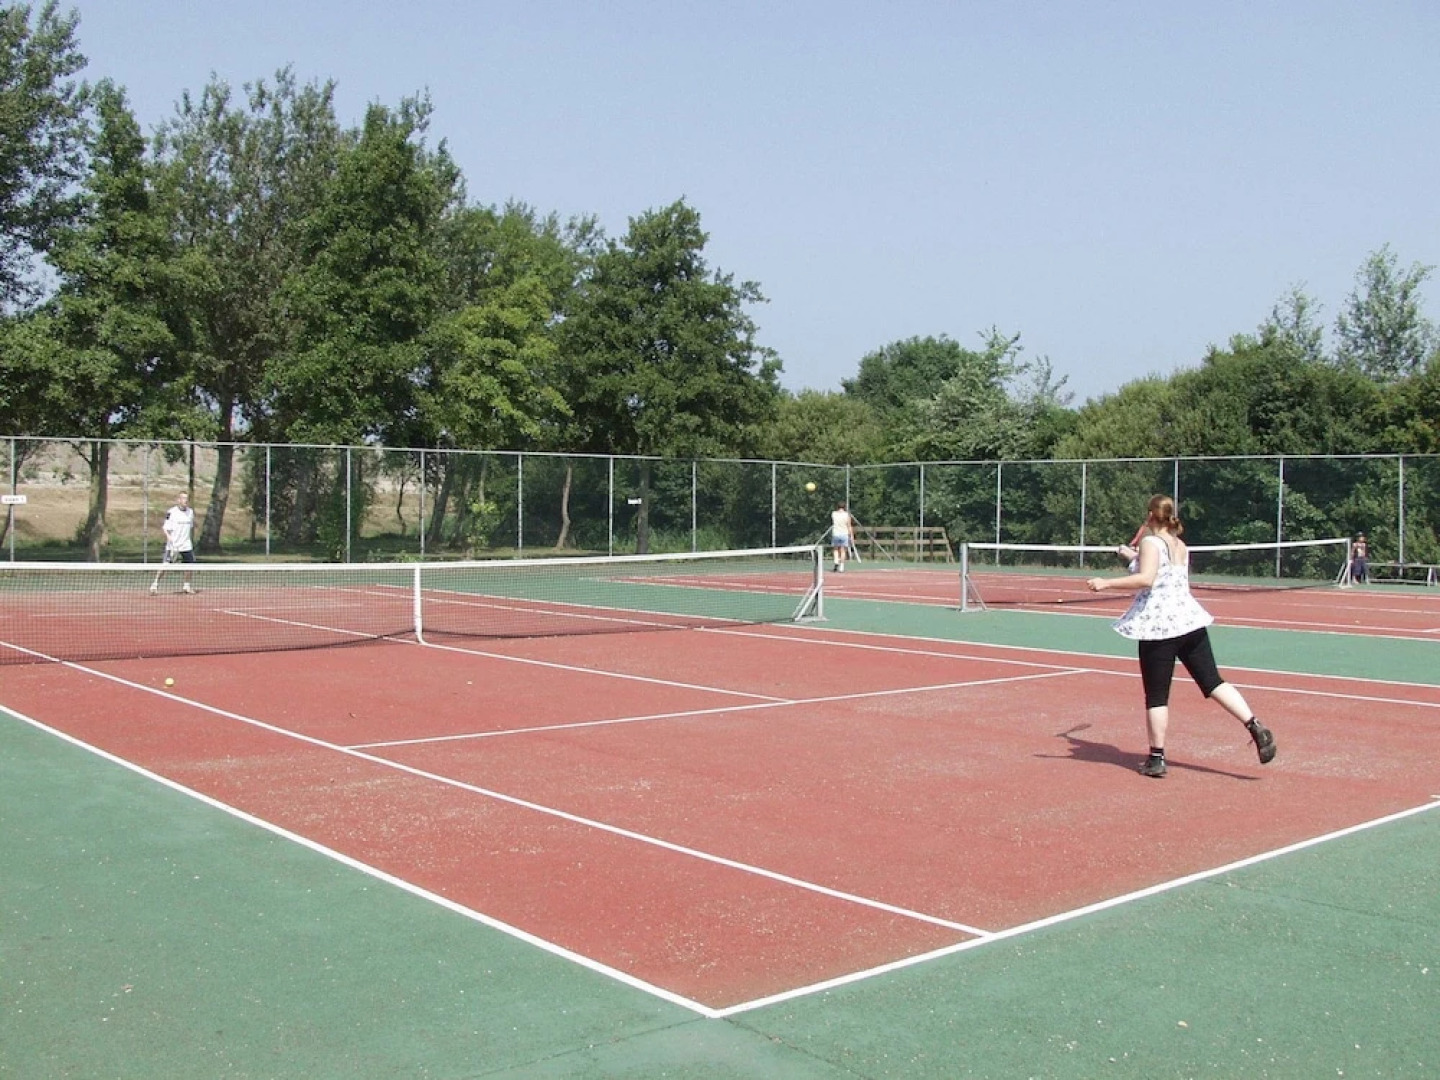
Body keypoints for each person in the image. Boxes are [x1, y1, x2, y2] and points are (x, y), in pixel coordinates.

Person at [1085, 494, 1275, 778]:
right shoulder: (1180, 545)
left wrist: (1106, 583)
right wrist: (1130, 557)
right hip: (1189, 623)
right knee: (1213, 682)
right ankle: (1254, 724)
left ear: (1151, 515)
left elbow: (1147, 578)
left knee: (1156, 695)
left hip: (1160, 627)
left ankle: (1156, 758)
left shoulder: (1150, 542)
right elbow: (1157, 570)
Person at [151, 492, 196, 595]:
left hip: (186, 545)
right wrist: (169, 538)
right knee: (165, 566)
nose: (185, 500)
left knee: (190, 565)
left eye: (187, 498)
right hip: (173, 545)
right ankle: (155, 585)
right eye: (183, 498)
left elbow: (190, 527)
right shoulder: (171, 512)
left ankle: (186, 586)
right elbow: (165, 528)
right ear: (178, 500)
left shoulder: (190, 512)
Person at [829, 503, 857, 573]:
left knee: (835, 549)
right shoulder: (847, 515)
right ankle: (841, 566)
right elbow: (849, 525)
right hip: (844, 533)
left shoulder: (834, 514)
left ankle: (836, 561)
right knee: (843, 550)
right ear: (844, 507)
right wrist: (851, 535)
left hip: (836, 533)